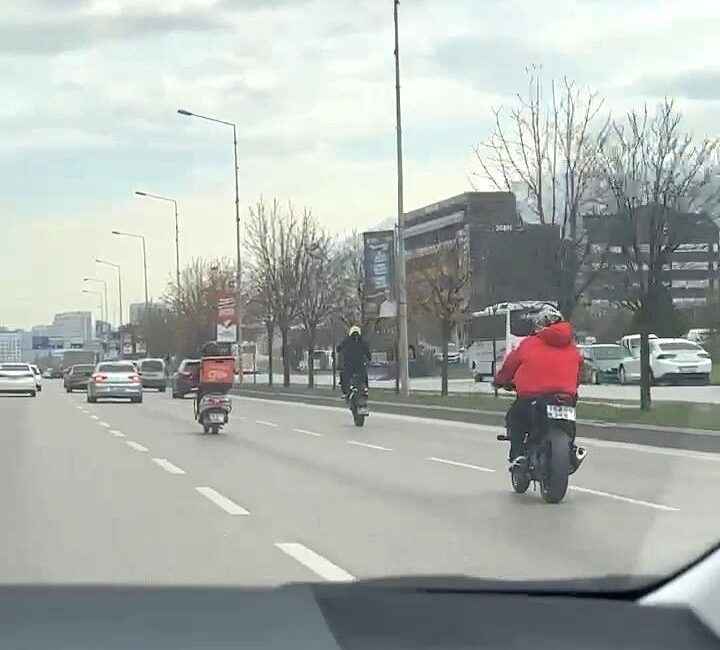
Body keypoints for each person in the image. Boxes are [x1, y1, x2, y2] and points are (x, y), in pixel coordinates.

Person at [493, 305, 582, 466]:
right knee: (568, 422)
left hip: (533, 397)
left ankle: (518, 454)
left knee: (515, 417)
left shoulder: (528, 344)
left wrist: (500, 381)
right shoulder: (573, 348)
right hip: (566, 398)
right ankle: (572, 451)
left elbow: (510, 366)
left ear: (538, 325)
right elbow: (578, 373)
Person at [337, 325, 371, 398]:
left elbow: (338, 348)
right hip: (360, 366)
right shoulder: (362, 342)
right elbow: (368, 353)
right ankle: (366, 388)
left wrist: (340, 352)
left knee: (343, 376)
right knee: (364, 376)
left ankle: (345, 392)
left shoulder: (346, 341)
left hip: (349, 366)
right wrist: (369, 359)